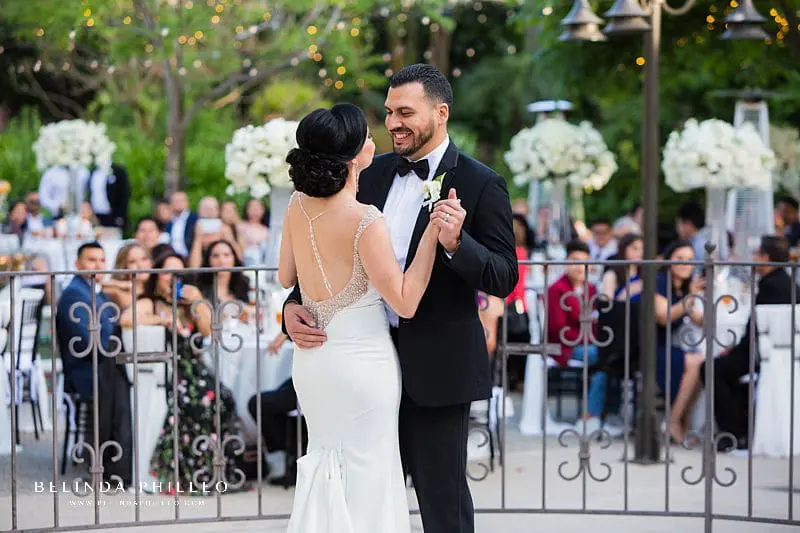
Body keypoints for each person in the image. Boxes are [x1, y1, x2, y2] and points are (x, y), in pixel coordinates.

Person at [281, 65, 517, 533]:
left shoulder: (481, 182)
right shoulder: (366, 172)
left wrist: (455, 243)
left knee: (442, 503)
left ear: (441, 112)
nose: (393, 123)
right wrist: (290, 308)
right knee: (362, 496)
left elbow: (504, 276)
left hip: (437, 370)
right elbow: (324, 252)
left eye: (405, 112)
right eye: (389, 113)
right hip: (360, 368)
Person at [701, 236, 797, 450]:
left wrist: (736, 351)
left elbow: (759, 330)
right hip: (777, 353)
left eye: (756, 254)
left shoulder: (772, 286)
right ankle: (740, 424)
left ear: (766, 257)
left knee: (711, 369)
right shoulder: (786, 282)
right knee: (722, 369)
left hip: (766, 354)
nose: (753, 258)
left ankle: (733, 432)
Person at [655, 241, 705, 444]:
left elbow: (699, 320)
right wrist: (691, 295)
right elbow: (663, 316)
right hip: (651, 347)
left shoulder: (683, 288)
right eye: (680, 259)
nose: (686, 264)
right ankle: (673, 421)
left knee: (701, 362)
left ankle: (681, 418)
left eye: (690, 260)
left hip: (671, 347)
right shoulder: (658, 282)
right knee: (696, 362)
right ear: (669, 262)